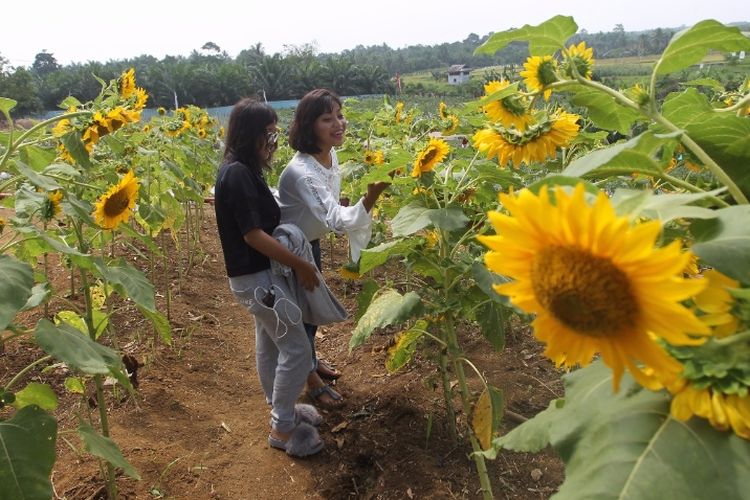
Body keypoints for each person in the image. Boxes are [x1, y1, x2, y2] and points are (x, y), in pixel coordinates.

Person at [214, 98, 324, 457]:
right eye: (269, 135)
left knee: (269, 343)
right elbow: (253, 235)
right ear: (252, 136)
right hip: (258, 281)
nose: (273, 143)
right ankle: (282, 428)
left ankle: (282, 407)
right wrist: (301, 264)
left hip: (250, 281)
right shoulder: (239, 175)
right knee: (296, 346)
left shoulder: (239, 169)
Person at [277, 88, 389, 408]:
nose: (338, 123)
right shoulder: (302, 171)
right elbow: (336, 219)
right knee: (300, 314)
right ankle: (308, 377)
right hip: (290, 250)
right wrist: (370, 197)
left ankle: (309, 361)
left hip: (310, 240)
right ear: (309, 125)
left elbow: (327, 205)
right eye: (327, 119)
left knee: (309, 311)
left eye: (339, 115)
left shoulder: (328, 155)